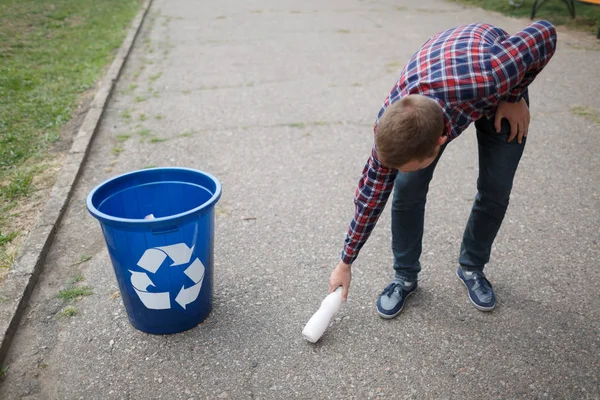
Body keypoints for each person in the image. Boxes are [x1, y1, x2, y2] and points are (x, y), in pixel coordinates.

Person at [328, 20, 557, 318]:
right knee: (406, 188)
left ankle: (472, 267)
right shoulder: (390, 125)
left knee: (496, 187)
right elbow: (371, 195)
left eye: (406, 165)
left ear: (440, 142)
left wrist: (514, 96)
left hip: (493, 80)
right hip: (446, 76)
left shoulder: (494, 73)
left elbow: (545, 32)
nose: (395, 170)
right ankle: (405, 276)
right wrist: (345, 262)